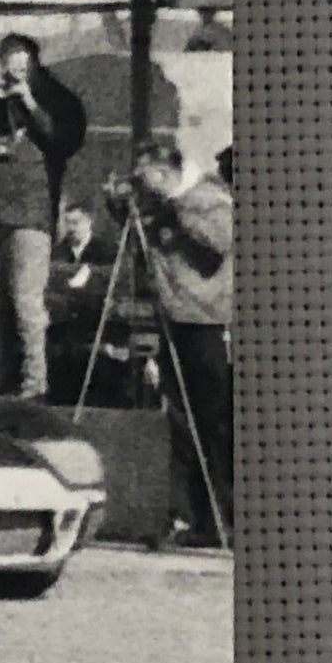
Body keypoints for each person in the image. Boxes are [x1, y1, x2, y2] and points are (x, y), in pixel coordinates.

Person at [0, 33, 87, 400]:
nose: (16, 72)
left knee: (26, 301)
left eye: (23, 65)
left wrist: (31, 103)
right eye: (10, 64)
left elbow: (65, 140)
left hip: (31, 212)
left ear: (35, 64)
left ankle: (34, 382)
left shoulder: (56, 98)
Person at [109, 136, 234, 546]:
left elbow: (217, 245)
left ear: (164, 173)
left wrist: (173, 214)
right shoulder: (162, 207)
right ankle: (188, 516)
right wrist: (121, 209)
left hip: (205, 321)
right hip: (174, 318)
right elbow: (143, 249)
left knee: (211, 424)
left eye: (147, 179)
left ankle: (220, 518)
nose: (144, 187)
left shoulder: (209, 199)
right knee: (181, 423)